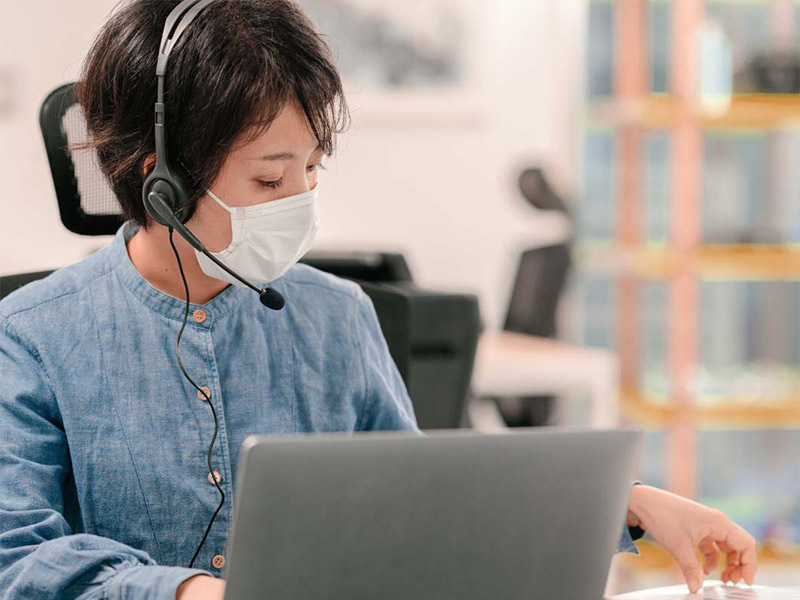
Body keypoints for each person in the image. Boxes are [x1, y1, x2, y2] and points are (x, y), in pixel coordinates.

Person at [0, 1, 758, 599]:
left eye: (312, 169)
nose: (300, 200)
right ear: (160, 184)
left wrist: (625, 503)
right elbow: (17, 558)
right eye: (269, 178)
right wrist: (194, 592)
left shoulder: (337, 317)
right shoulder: (31, 337)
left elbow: (422, 513)